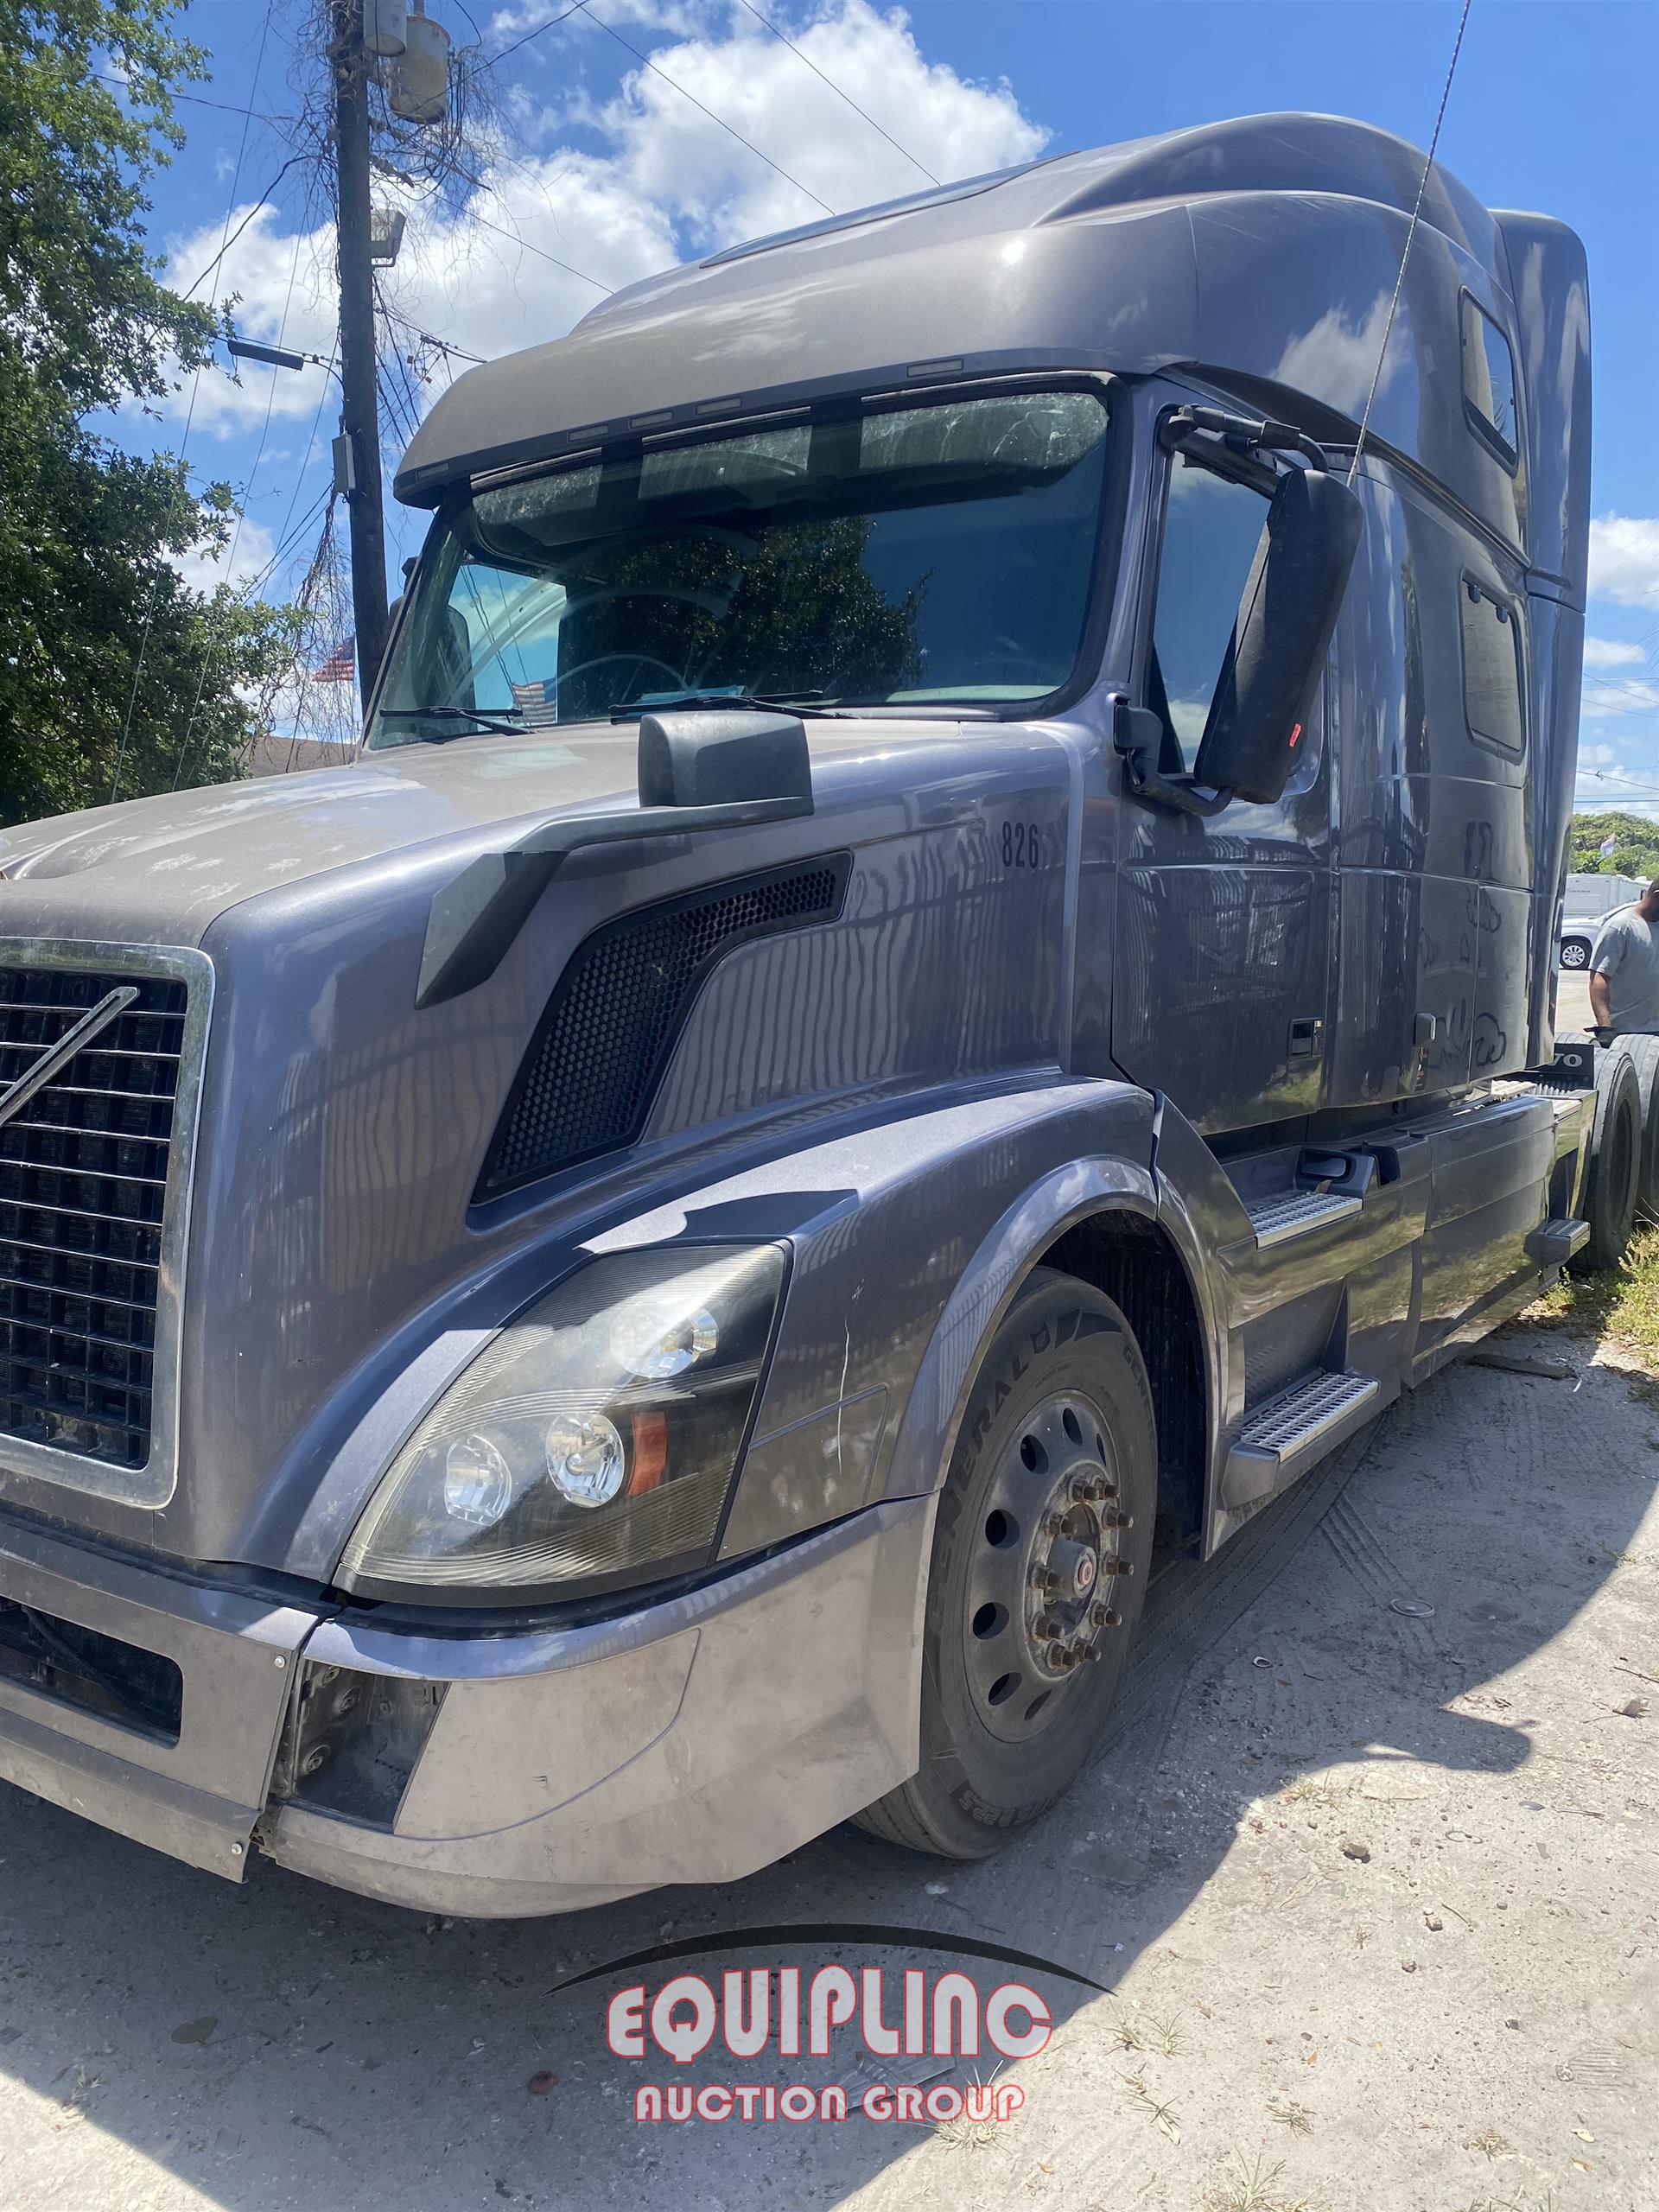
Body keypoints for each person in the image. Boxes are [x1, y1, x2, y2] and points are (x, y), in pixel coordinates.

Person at [1587, 876, 1659, 1038]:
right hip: (1626, 1032)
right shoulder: (1620, 927)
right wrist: (1605, 1027)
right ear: (1657, 896)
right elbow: (1599, 978)